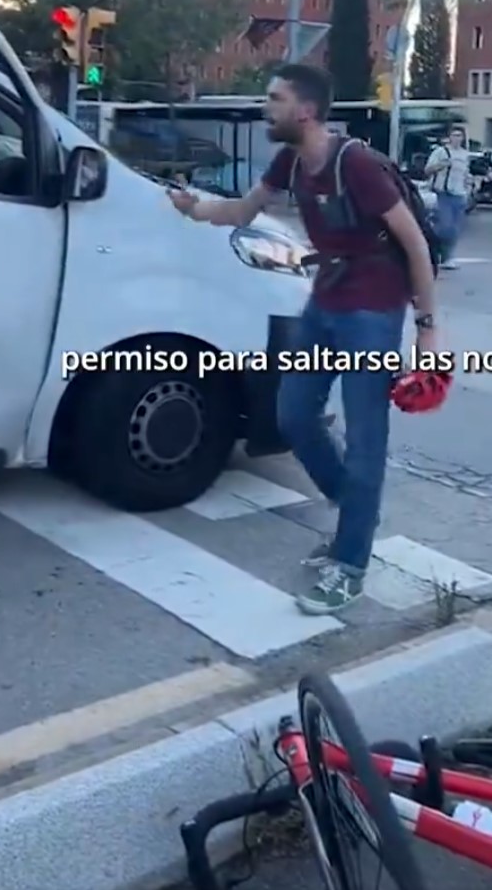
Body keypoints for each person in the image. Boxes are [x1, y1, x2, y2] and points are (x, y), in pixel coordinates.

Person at [167, 63, 438, 616]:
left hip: (372, 312)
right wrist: (194, 208)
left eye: (275, 99)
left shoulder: (356, 164)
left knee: (366, 439)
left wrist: (428, 329)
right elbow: (242, 211)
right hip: (324, 304)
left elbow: (415, 244)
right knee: (293, 415)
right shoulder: (290, 160)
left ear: (306, 111)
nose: (266, 107)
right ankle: (354, 507)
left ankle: (350, 563)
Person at [424, 125, 471, 270]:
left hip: (459, 194)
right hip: (443, 193)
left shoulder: (465, 155)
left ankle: (448, 257)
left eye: (459, 136)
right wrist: (441, 165)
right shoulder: (441, 152)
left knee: (455, 229)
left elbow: (465, 174)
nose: (457, 138)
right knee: (445, 226)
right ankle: (435, 250)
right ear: (449, 137)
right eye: (454, 135)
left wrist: (468, 188)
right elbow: (427, 170)